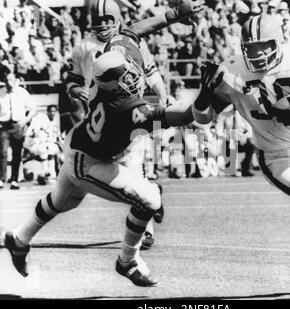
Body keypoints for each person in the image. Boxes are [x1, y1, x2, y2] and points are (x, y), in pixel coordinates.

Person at [3, 41, 194, 287]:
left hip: (79, 146)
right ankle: (128, 260)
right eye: (124, 75)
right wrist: (205, 103)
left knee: (62, 202)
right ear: (113, 83)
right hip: (87, 162)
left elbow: (108, 66)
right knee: (149, 199)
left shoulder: (98, 87)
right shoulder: (123, 105)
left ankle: (18, 239)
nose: (131, 76)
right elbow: (172, 116)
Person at [192, 15, 290, 296]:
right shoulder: (232, 73)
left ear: (280, 42)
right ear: (243, 47)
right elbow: (203, 117)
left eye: (264, 47)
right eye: (251, 48)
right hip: (275, 156)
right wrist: (204, 92)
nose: (258, 55)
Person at [64, 0, 204, 248]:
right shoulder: (83, 48)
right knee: (123, 178)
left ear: (117, 20)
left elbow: (150, 71)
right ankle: (152, 198)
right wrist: (77, 91)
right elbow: (71, 81)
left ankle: (147, 230)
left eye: (107, 20)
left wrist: (162, 95)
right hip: (100, 116)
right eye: (98, 21)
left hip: (128, 111)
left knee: (134, 168)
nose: (103, 25)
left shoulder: (126, 42)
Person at [0, 65, 36, 190]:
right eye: (6, 80)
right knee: (2, 153)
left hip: (18, 125)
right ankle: (1, 179)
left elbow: (33, 108)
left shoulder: (22, 92)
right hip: (4, 126)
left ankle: (14, 180)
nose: (8, 83)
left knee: (17, 154)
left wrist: (25, 120)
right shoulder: (1, 92)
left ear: (15, 81)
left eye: (10, 80)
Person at [23, 104, 63, 185]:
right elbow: (30, 135)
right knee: (45, 150)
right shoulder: (40, 119)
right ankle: (45, 173)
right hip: (36, 146)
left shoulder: (55, 122)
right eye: (51, 111)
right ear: (47, 112)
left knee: (53, 151)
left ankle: (49, 175)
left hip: (47, 146)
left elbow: (57, 138)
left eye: (54, 112)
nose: (53, 113)